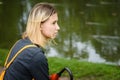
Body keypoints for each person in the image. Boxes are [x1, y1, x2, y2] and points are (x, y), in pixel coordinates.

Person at [4, 2, 60, 80]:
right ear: (40, 25)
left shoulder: (20, 43)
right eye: (53, 23)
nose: (58, 27)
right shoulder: (36, 56)